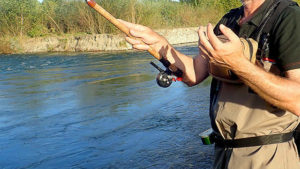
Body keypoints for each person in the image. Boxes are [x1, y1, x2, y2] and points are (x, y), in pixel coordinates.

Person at [119, 0, 300, 168]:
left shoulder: (288, 16)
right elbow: (194, 73)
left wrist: (239, 64)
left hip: (268, 156)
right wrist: (159, 43)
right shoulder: (229, 19)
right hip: (223, 153)